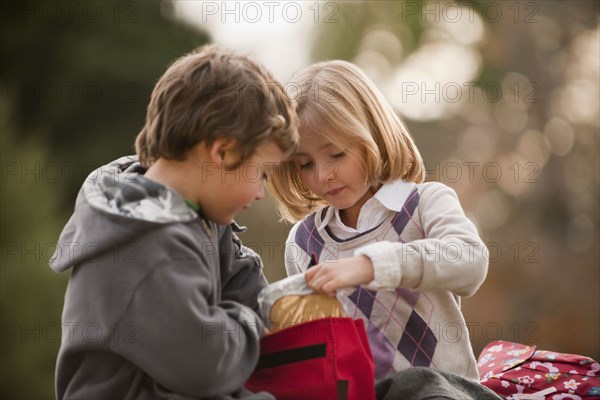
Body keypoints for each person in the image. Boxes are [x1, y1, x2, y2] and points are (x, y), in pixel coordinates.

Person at [49, 44, 298, 399]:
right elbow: (206, 367)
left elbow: (247, 288)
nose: (260, 193)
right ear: (223, 152)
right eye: (262, 174)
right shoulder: (145, 242)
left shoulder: (191, 210)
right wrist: (246, 321)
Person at [268, 60, 489, 383]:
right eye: (305, 164)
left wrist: (372, 266)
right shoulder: (304, 243)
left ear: (372, 134)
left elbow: (470, 261)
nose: (323, 175)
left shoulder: (423, 203)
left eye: (337, 154)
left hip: (447, 390)